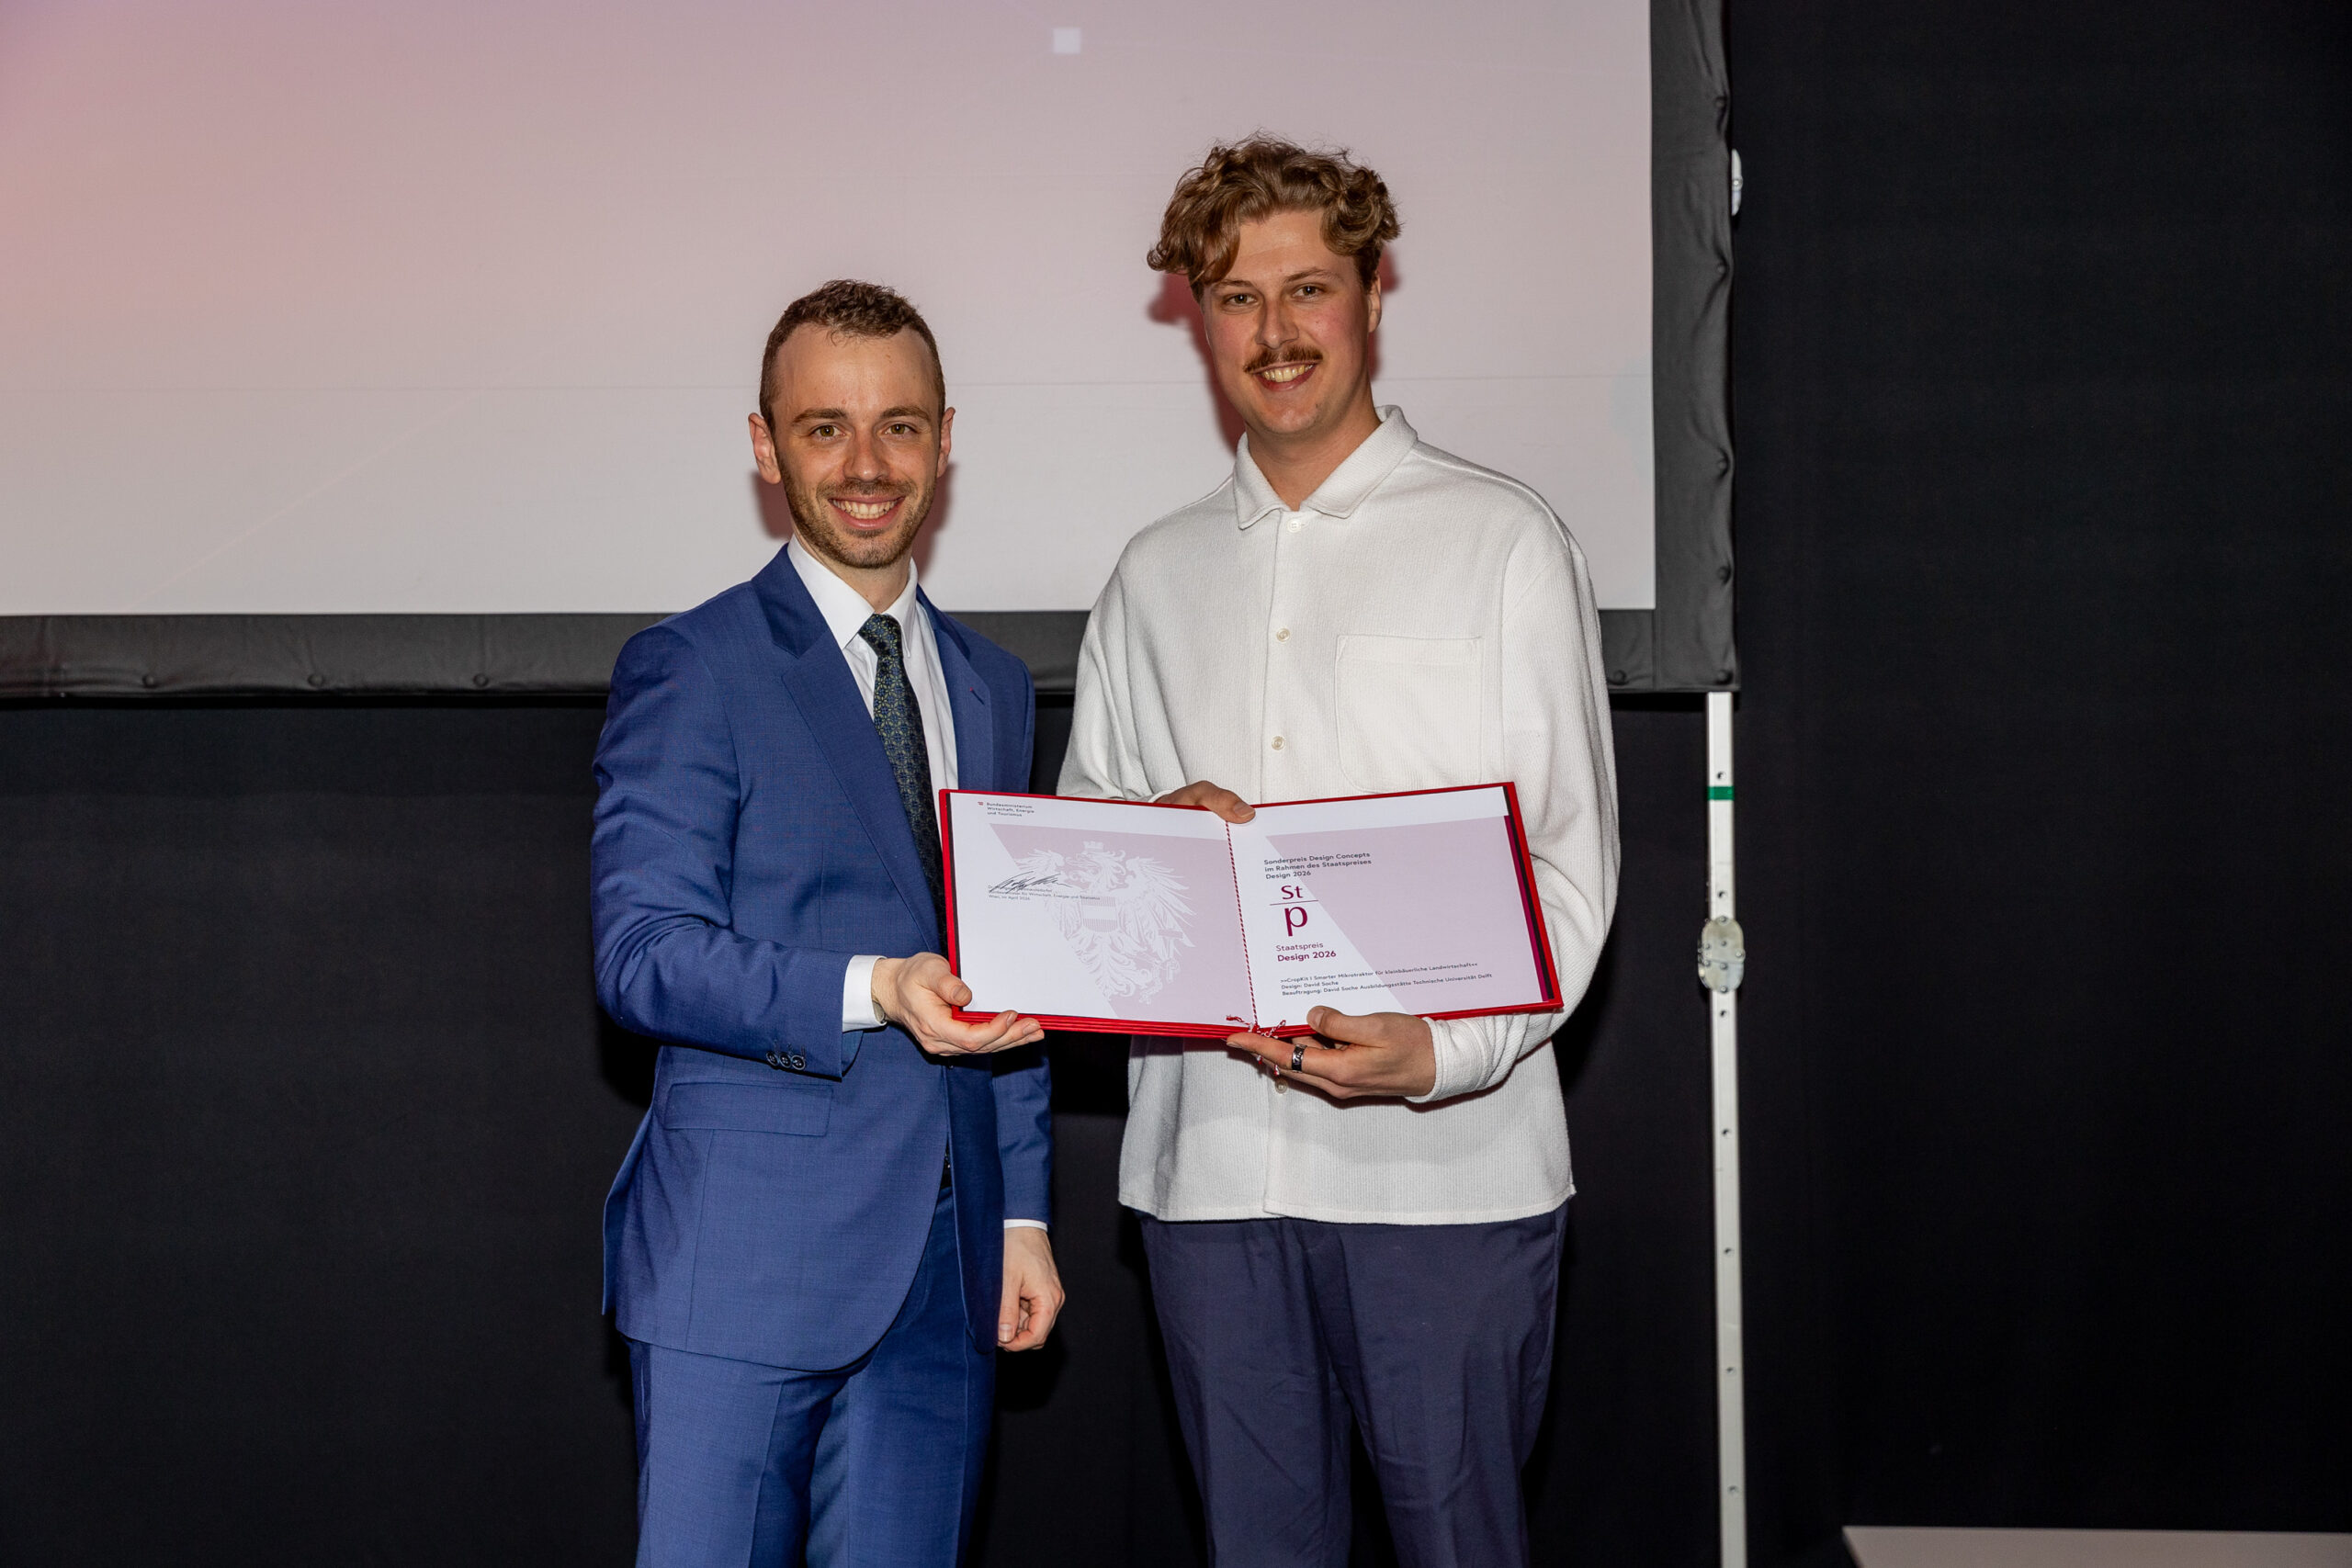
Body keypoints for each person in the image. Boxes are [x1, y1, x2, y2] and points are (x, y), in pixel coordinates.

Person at [1058, 140, 1620, 1567]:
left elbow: (1565, 860)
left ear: (1373, 293)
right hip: (1210, 1180)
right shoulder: (1150, 574)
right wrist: (1149, 850)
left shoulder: (1504, 541)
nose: (1275, 332)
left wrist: (1443, 1053)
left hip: (1447, 1178)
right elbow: (1084, 879)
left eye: (1308, 288)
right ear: (1199, 318)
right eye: (1236, 298)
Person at [594, 279, 1061, 1568]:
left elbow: (1015, 969)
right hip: (740, 1262)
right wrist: (877, 986)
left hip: (948, 1271)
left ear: (945, 440)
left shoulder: (991, 684)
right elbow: (641, 957)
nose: (866, 465)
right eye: (824, 428)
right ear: (766, 446)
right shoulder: (693, 666)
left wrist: (1022, 1217)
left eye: (899, 426)